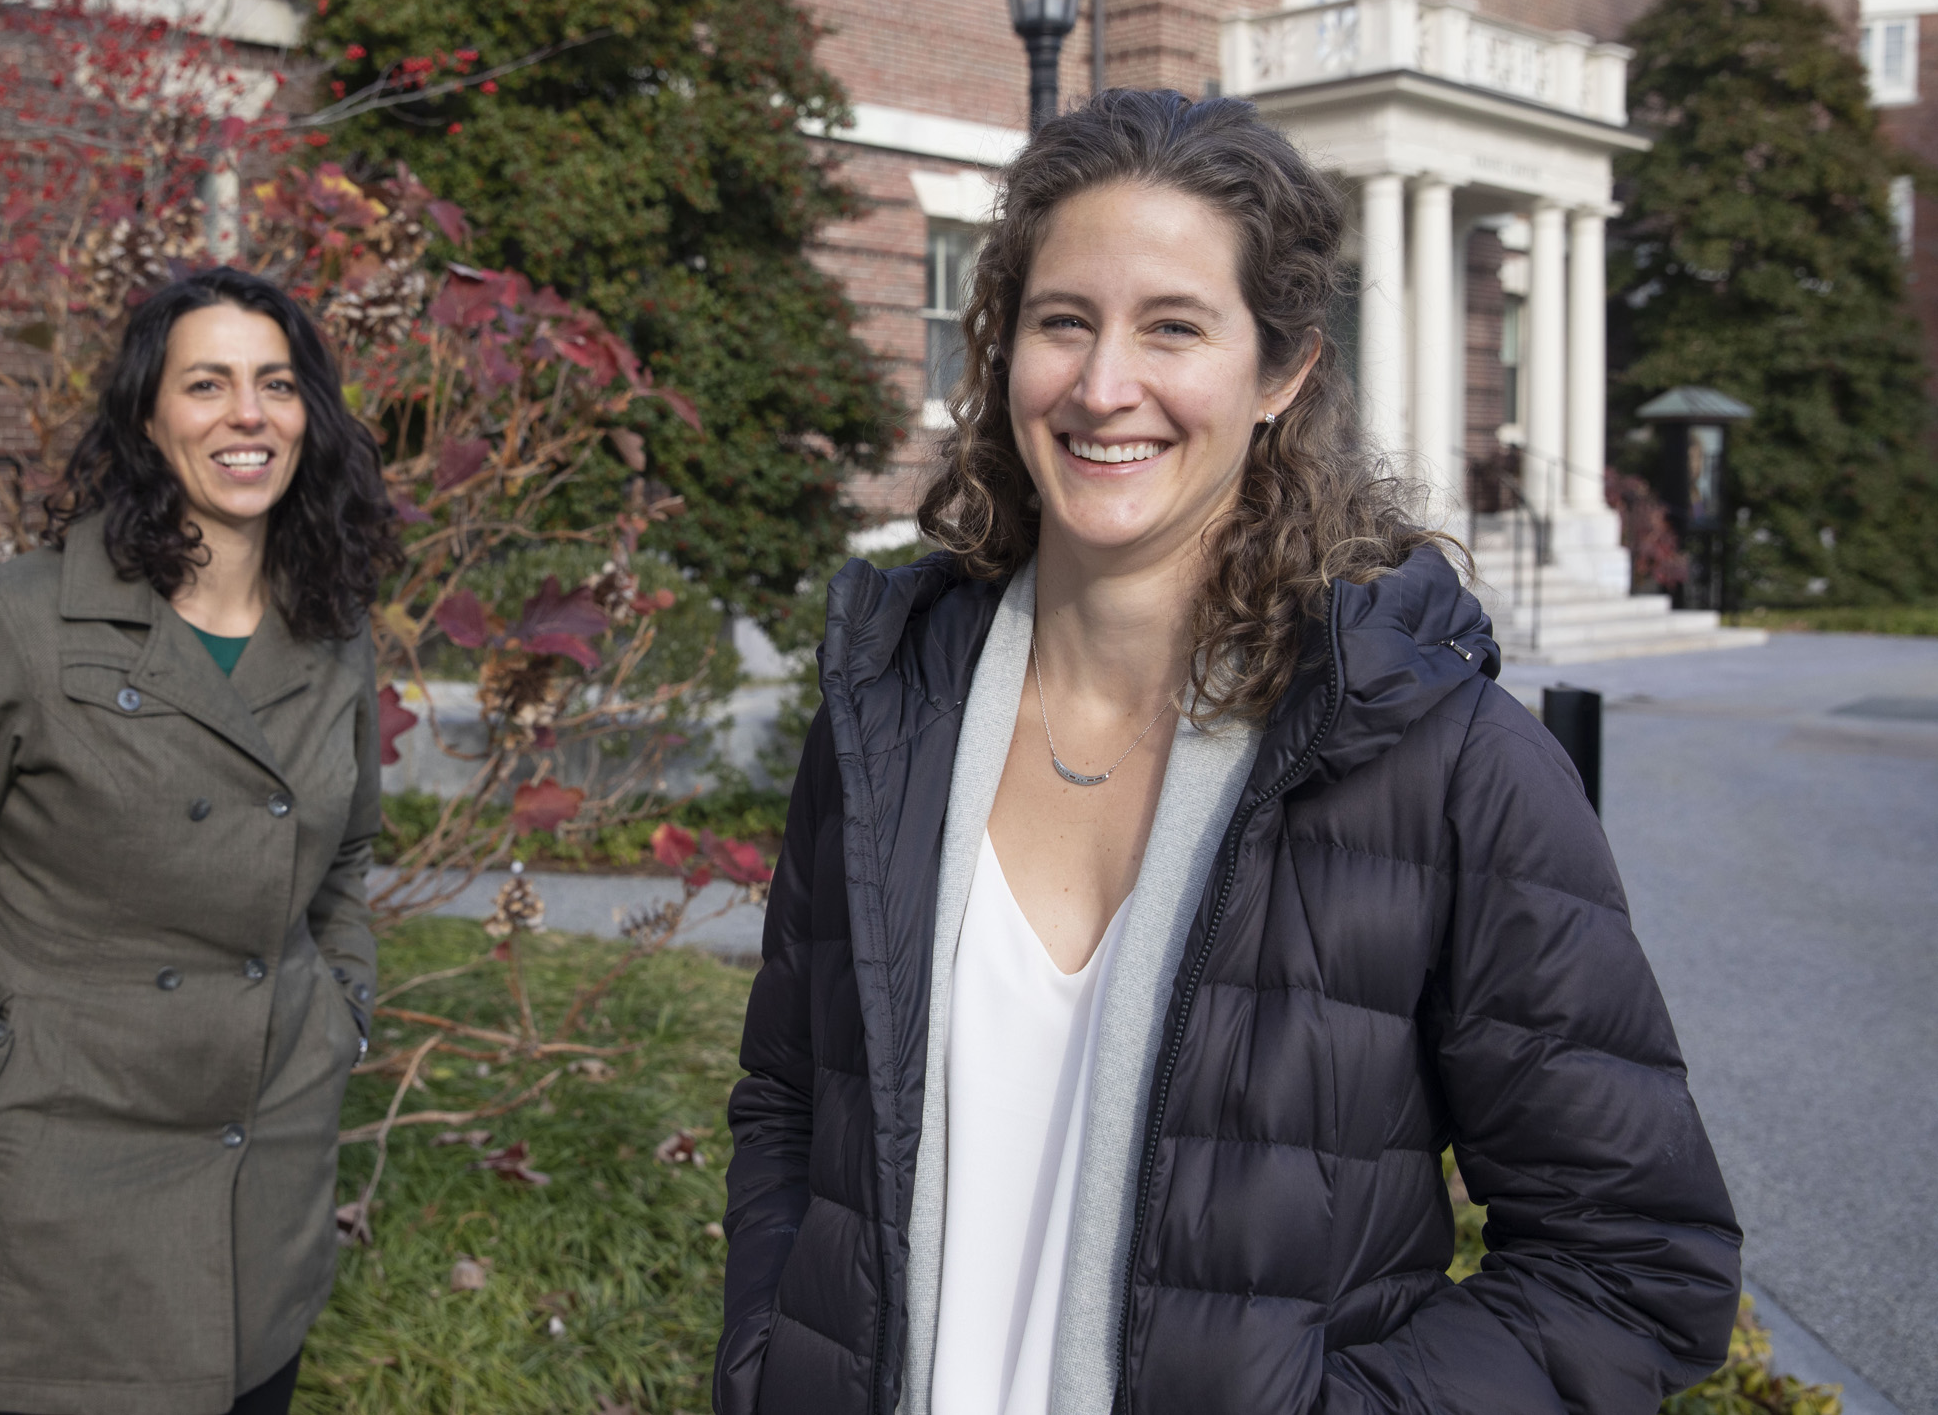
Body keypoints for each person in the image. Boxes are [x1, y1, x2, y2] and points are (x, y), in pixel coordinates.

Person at [714, 91, 1741, 1415]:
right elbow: (790, 1105)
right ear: (1005, 345)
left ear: (1282, 371)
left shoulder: (1439, 759)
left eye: (1173, 327)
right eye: (1062, 321)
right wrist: (765, 1366)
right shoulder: (889, 705)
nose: (1102, 386)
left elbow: (1634, 1265)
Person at [0, 267, 399, 1415]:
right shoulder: (20, 622)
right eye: (208, 382)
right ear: (146, 416)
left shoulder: (331, 627)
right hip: (59, 1182)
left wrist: (342, 1012)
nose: (248, 414)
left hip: (262, 1167)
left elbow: (344, 856)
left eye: (276, 384)